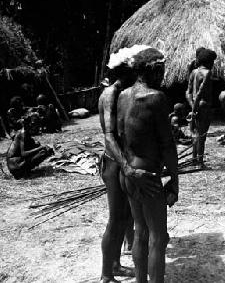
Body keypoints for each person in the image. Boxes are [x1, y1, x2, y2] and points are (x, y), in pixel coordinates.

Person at [117, 47, 178, 283]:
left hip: (129, 173)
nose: (164, 76)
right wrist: (175, 179)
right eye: (162, 70)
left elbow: (119, 138)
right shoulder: (156, 98)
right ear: (153, 70)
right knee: (158, 237)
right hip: (149, 175)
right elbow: (167, 145)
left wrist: (128, 170)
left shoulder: (122, 97)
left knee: (140, 232)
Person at [98, 55, 136, 283]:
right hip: (114, 163)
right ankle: (106, 274)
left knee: (123, 218)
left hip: (118, 161)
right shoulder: (111, 94)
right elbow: (110, 137)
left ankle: (115, 265)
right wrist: (126, 165)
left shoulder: (120, 93)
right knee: (115, 220)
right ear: (126, 74)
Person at [186, 48, 216, 166]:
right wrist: (195, 110)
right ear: (209, 62)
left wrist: (192, 106)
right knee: (202, 135)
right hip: (203, 106)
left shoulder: (193, 72)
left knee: (195, 133)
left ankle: (194, 159)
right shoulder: (207, 73)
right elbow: (200, 93)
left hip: (194, 105)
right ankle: (200, 161)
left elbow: (188, 92)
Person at [6, 112, 53, 179]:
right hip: (16, 166)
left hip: (16, 164)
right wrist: (40, 148)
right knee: (43, 152)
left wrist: (36, 145)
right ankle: (24, 172)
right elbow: (24, 153)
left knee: (42, 148)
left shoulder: (25, 132)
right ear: (30, 124)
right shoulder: (23, 134)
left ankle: (26, 170)